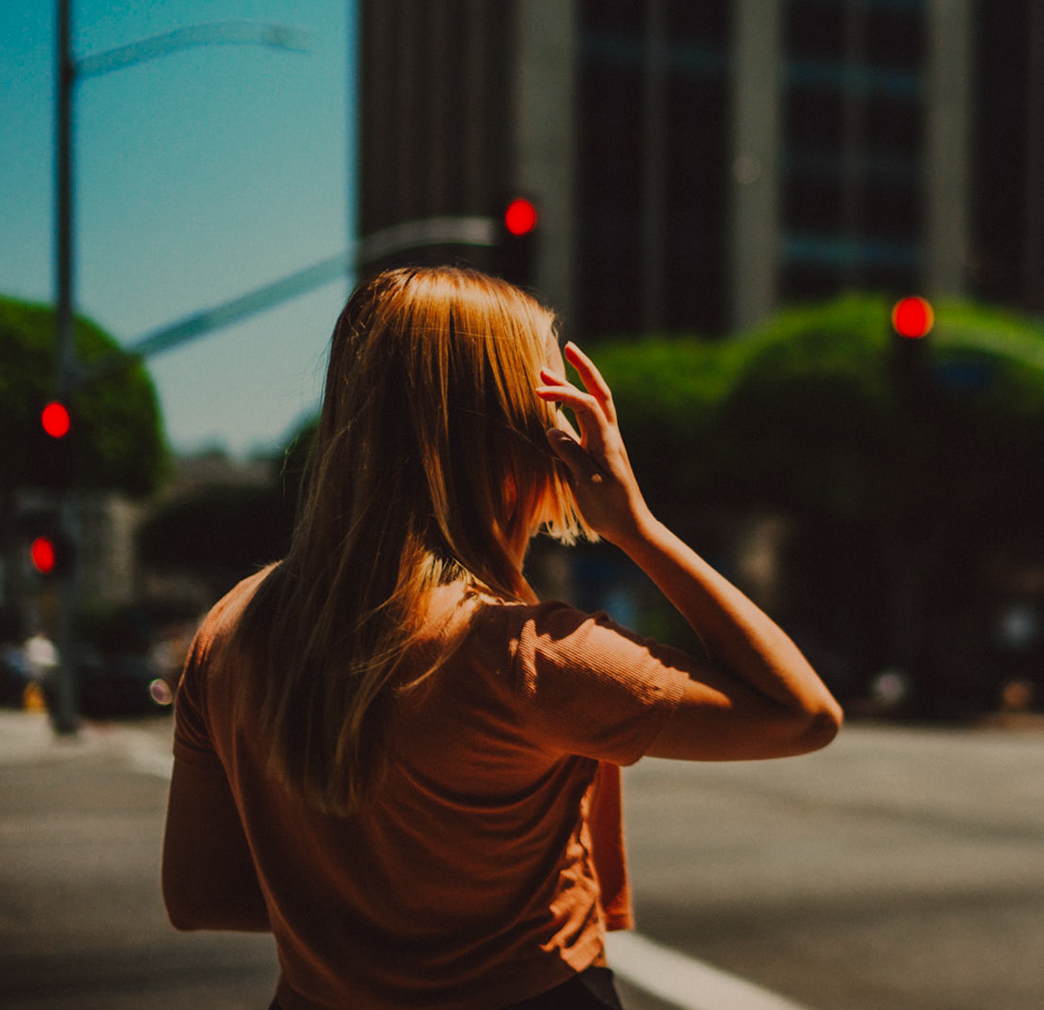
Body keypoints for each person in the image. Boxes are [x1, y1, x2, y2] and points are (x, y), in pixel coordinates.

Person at [160, 268, 842, 1009]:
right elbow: (804, 713)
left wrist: (360, 928)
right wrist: (637, 528)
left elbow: (197, 895)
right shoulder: (530, 657)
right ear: (521, 434)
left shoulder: (230, 631)